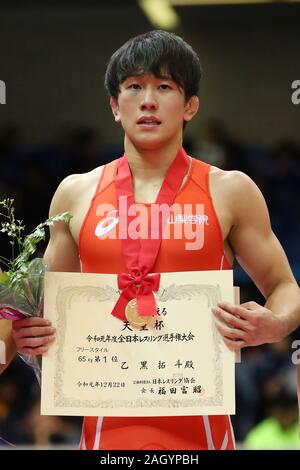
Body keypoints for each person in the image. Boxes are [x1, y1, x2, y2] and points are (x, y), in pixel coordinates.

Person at [11, 30, 300, 450]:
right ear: (114, 106)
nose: (148, 100)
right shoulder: (75, 193)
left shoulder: (231, 191)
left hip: (200, 435)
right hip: (103, 434)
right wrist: (29, 335)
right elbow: (38, 305)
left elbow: (285, 287)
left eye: (164, 87)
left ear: (190, 106)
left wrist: (276, 323)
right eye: (134, 87)